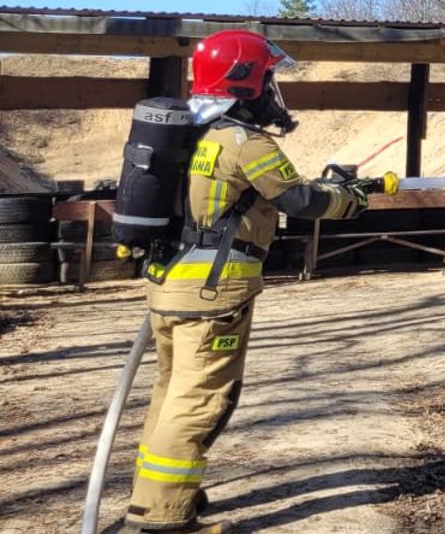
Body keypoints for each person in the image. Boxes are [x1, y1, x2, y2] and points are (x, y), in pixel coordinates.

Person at [124, 29, 372, 532]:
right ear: (246, 83)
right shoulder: (242, 142)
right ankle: (161, 520)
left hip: (170, 285)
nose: (274, 90)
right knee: (199, 402)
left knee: (172, 394)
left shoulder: (186, 132)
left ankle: (165, 496)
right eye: (269, 78)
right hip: (216, 293)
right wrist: (353, 197)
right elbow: (299, 200)